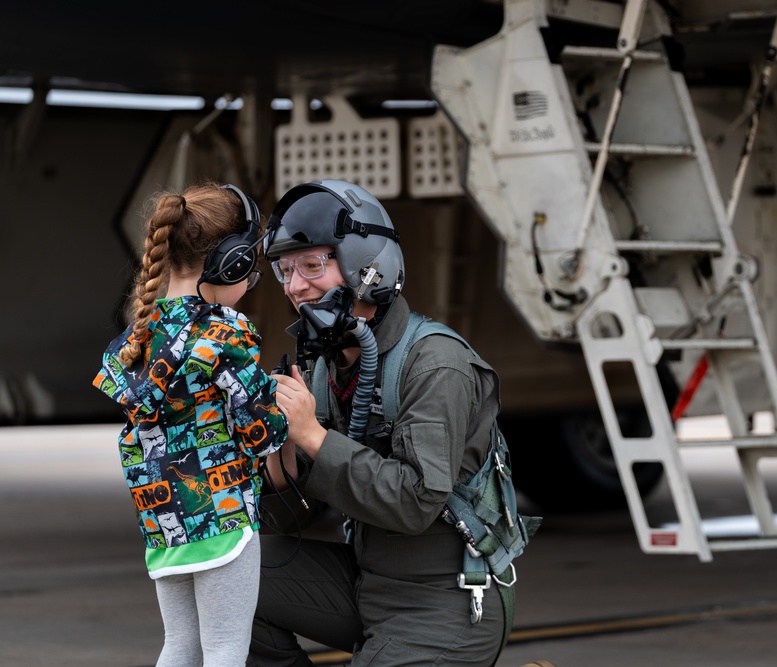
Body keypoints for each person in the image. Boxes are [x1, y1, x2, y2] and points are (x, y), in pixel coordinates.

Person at [250, 179, 538, 667]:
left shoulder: (435, 364)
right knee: (231, 585)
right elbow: (289, 523)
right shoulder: (325, 368)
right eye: (284, 270)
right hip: (368, 585)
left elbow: (415, 503)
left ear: (369, 266)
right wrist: (277, 454)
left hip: (445, 603)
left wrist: (313, 437)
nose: (295, 286)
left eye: (313, 265)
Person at [92, 182, 289, 667]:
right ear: (233, 262)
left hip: (165, 526)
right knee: (225, 651)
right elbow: (261, 435)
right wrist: (285, 400)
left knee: (179, 646)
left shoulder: (135, 339)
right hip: (223, 517)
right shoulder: (225, 332)